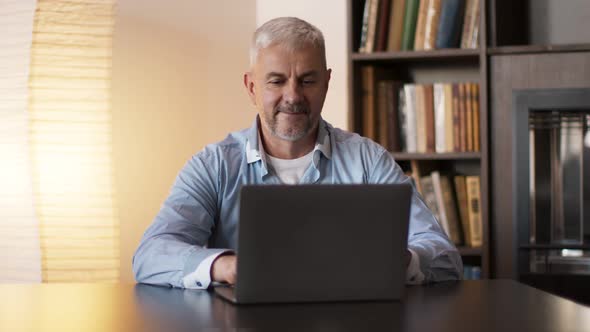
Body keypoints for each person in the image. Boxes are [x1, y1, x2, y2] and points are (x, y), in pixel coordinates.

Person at [133, 17, 462, 289]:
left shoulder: (368, 160)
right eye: (276, 81)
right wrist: (227, 266)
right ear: (251, 87)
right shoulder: (213, 165)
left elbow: (445, 258)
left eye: (307, 80)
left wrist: (397, 259)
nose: (293, 96)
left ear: (327, 83)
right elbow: (150, 254)